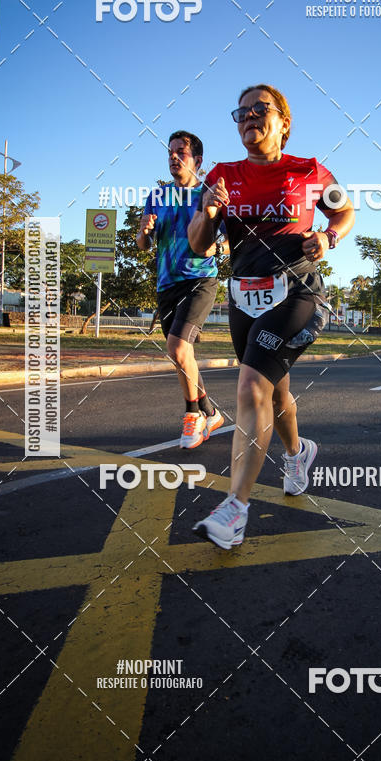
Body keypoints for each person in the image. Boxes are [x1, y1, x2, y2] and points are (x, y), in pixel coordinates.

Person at [188, 84, 356, 549]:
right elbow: (199, 242)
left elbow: (346, 212)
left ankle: (235, 509)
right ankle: (298, 453)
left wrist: (328, 237)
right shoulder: (221, 175)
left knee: (250, 385)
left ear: (284, 121)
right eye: (240, 112)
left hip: (298, 292)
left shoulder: (309, 169)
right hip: (244, 296)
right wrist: (210, 211)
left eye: (260, 110)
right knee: (273, 388)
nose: (248, 118)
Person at [137, 131, 225, 448]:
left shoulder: (209, 194)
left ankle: (193, 415)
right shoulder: (157, 197)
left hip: (200, 280)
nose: (174, 157)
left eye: (181, 153)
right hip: (167, 284)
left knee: (177, 348)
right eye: (170, 152)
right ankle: (211, 411)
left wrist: (218, 243)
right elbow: (144, 244)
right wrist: (144, 232)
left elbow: (224, 242)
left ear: (197, 161)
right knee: (182, 354)